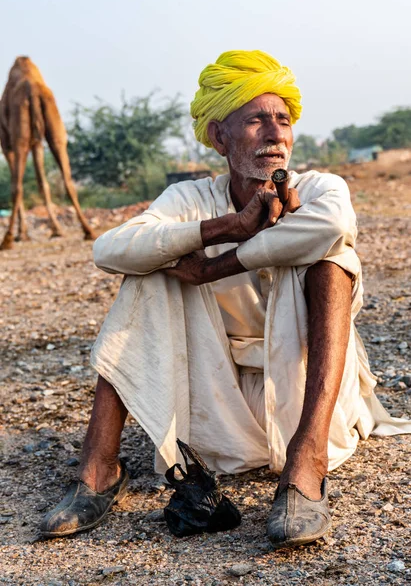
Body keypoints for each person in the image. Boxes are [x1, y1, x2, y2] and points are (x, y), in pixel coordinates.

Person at [40, 50, 411, 548]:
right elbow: (108, 249)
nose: (275, 133)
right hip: (218, 406)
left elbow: (334, 225)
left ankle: (307, 464)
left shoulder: (320, 188)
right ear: (220, 137)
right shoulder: (192, 200)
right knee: (148, 274)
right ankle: (99, 467)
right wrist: (228, 226)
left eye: (282, 120)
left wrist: (219, 263)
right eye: (256, 120)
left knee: (333, 261)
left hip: (307, 396)